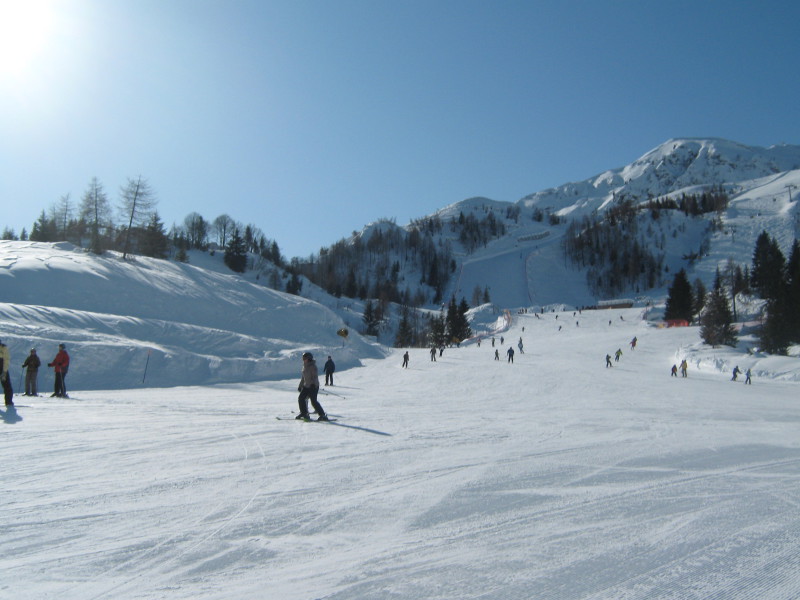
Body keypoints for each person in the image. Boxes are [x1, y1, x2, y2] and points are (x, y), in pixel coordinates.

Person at [296, 352, 327, 421]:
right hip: (306, 386)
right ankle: (304, 413)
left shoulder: (313, 366)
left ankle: (322, 415)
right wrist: (300, 386)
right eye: (303, 358)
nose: (303, 360)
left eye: (305, 358)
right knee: (301, 398)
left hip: (313, 386)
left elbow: (315, 377)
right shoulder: (305, 366)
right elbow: (303, 378)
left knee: (313, 401)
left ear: (309, 359)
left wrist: (313, 385)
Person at [0, 339, 13, 406]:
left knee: (7, 386)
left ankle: (8, 402)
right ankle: (9, 402)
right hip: (2, 368)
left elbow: (6, 359)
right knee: (7, 386)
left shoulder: (3, 348)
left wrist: (4, 371)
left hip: (2, 368)